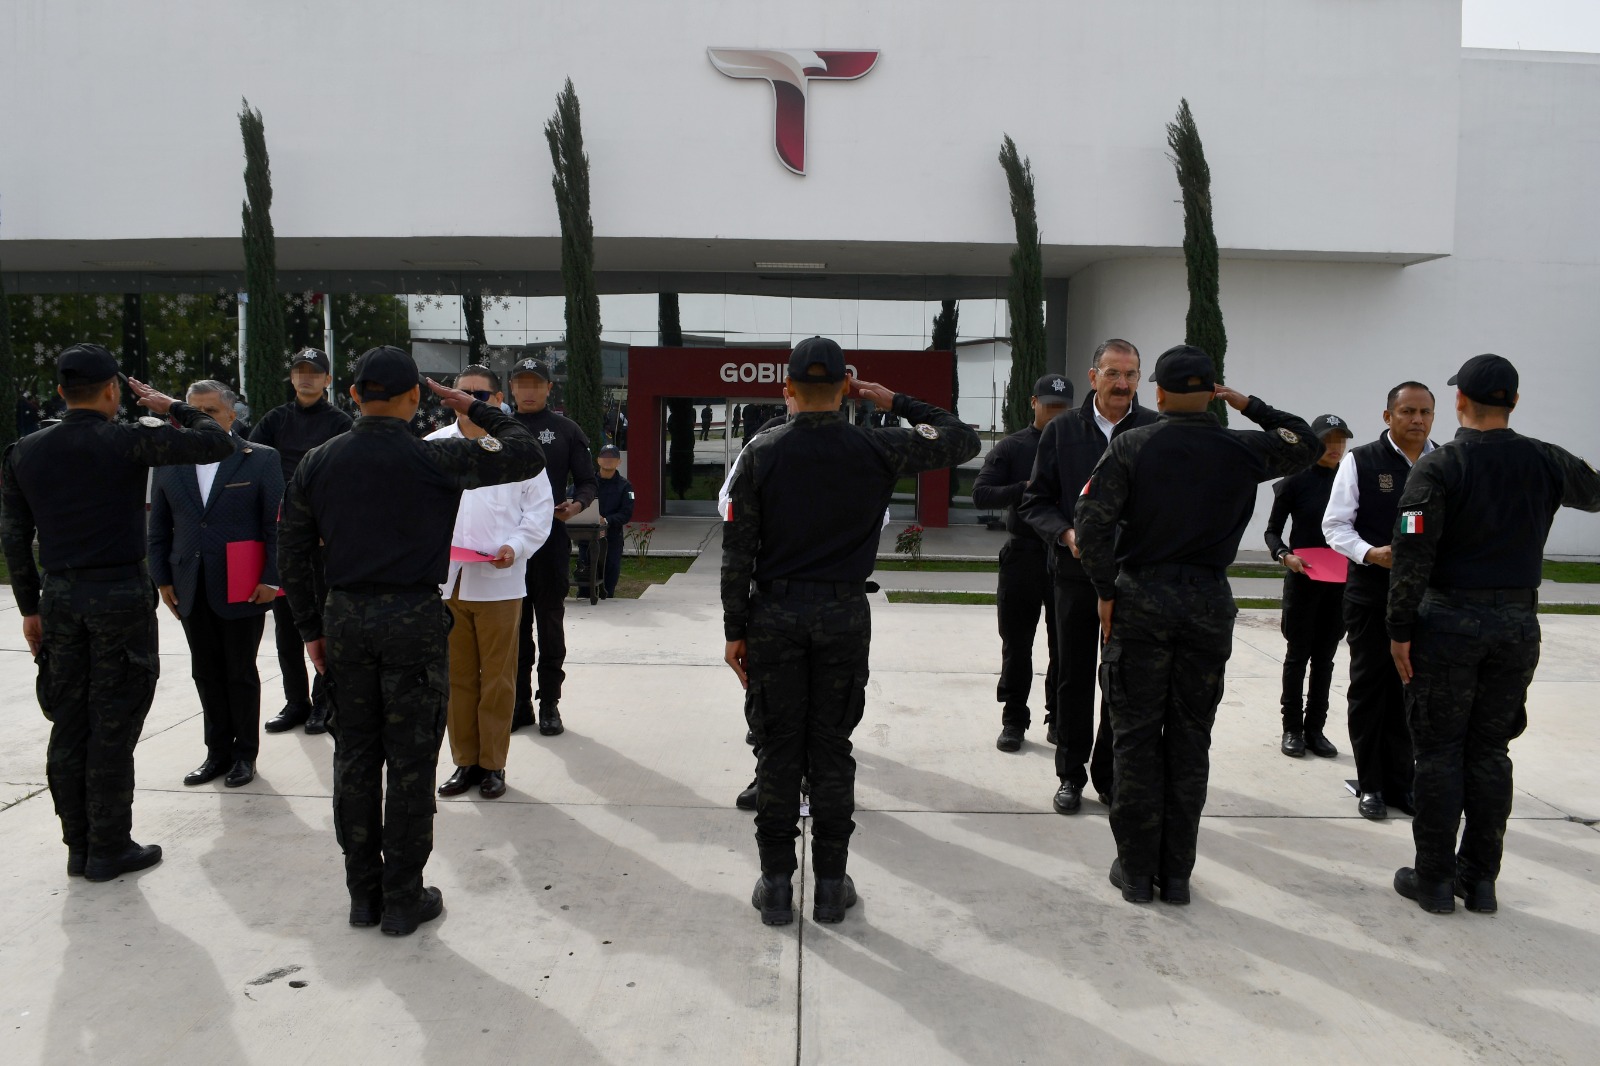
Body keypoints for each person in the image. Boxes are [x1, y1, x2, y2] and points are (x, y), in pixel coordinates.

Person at [278, 345, 544, 935]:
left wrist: (311, 630)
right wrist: (475, 405)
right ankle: (403, 895)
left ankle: (362, 895)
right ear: (416, 397)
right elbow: (524, 453)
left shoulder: (318, 461)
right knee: (410, 759)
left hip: (345, 618)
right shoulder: (437, 458)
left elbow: (293, 552)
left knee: (354, 759)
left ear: (352, 395)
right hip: (414, 616)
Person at [723, 336, 979, 925]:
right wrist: (895, 400)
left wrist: (736, 629)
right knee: (832, 748)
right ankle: (833, 885)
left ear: (786, 388)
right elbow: (960, 438)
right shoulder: (878, 443)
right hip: (842, 613)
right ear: (844, 388)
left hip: (774, 616)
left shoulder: (761, 453)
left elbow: (739, 550)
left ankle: (777, 883)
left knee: (779, 749)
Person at [1075, 345, 1321, 905]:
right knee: (1190, 741)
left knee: (1136, 741)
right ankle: (1178, 875)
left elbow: (1090, 526)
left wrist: (1106, 591)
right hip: (1208, 602)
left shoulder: (1134, 445)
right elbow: (1306, 443)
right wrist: (1249, 404)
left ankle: (1137, 873)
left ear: (1156, 392)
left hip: (1141, 601)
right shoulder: (1243, 447)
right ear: (1213, 392)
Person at [1, 344, 233, 882]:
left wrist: (29, 608)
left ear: (61, 391)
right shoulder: (128, 440)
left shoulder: (24, 452)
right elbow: (218, 440)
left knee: (69, 721)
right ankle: (108, 846)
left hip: (59, 597)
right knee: (114, 720)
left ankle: (79, 845)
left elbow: (15, 537)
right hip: (118, 596)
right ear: (112, 390)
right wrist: (172, 405)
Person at [1387, 354, 1600, 915]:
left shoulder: (1438, 467)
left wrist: (1399, 628)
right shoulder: (1546, 459)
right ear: (1515, 402)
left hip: (1448, 624)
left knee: (1438, 752)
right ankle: (1479, 880)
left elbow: (1412, 552)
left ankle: (1433, 879)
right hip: (1516, 628)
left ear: (1459, 402)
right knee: (1489, 752)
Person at [1018, 339, 1160, 815]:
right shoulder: (1062, 431)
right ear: (1093, 374)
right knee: (1074, 678)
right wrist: (1065, 534)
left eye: (1131, 374)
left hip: (1134, 581)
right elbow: (1035, 501)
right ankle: (1070, 775)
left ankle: (1111, 776)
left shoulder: (1155, 430)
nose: (1122, 384)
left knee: (1121, 684)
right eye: (1113, 373)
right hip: (1075, 578)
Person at [425, 366, 554, 801]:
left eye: (481, 394)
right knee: (457, 679)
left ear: (498, 400)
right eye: (464, 392)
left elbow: (539, 512)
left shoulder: (518, 451)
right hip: (447, 583)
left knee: (497, 680)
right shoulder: (432, 447)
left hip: (499, 582)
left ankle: (493, 764)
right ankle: (465, 761)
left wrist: (515, 547)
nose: (471, 400)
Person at [148, 380, 285, 790]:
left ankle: (245, 755)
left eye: (209, 411)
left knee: (239, 671)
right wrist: (162, 579)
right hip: (189, 582)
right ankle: (216, 752)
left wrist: (271, 578)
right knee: (205, 672)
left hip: (243, 584)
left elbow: (275, 525)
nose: (200, 418)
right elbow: (158, 528)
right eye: (192, 410)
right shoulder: (170, 460)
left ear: (231, 415)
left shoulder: (259, 459)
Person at [1323, 382, 1437, 821]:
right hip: (1371, 596)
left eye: (1425, 412)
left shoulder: (1442, 461)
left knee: (1411, 691)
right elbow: (1334, 526)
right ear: (1388, 416)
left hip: (1425, 601)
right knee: (1371, 690)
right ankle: (1370, 783)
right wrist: (1371, 554)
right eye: (1407, 411)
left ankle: (1401, 783)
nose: (1417, 420)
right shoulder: (1362, 461)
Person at [250, 347, 353, 736]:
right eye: (299, 371)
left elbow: (347, 479)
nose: (305, 378)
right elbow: (254, 462)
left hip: (325, 538)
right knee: (287, 624)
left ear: (328, 380)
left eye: (314, 372)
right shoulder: (275, 420)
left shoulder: (341, 422)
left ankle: (324, 701)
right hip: (283, 535)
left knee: (324, 621)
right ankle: (296, 702)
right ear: (291, 378)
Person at [972, 373, 1070, 753]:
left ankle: (1058, 719)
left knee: (1064, 646)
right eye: (1048, 406)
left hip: (1065, 556)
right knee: (1017, 644)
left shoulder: (1080, 444)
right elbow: (980, 493)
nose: (1055, 413)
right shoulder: (1012, 447)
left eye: (1062, 407)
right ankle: (1014, 719)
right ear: (1034, 403)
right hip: (1023, 556)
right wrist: (1024, 489)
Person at [507, 357, 598, 736]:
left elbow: (588, 482)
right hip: (506, 548)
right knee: (514, 628)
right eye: (521, 383)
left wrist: (575, 506)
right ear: (511, 388)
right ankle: (519, 703)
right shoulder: (497, 428)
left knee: (549, 624)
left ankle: (549, 703)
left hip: (549, 542)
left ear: (548, 388)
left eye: (536, 383)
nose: (528, 390)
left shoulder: (565, 430)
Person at [1263, 413, 1353, 759]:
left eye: (1341, 440)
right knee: (1298, 655)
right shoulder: (1295, 481)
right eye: (1329, 440)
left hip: (1340, 581)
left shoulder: (1350, 481)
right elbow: (1272, 531)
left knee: (1326, 658)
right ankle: (1292, 729)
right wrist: (1284, 555)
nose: (1335, 447)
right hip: (1304, 578)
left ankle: (1316, 728)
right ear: (1314, 442)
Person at [576, 444, 634, 600]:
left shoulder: (625, 486)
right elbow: (573, 501)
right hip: (587, 538)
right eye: (605, 457)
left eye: (612, 458)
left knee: (610, 573)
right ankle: (584, 600)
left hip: (612, 538)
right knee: (585, 573)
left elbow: (626, 513)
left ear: (619, 462)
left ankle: (607, 602)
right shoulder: (588, 484)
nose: (608, 461)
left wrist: (606, 520)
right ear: (598, 460)